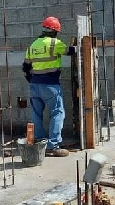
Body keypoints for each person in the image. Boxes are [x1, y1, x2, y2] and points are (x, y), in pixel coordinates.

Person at [22, 16, 75, 157]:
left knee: (36, 114)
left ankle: (39, 141)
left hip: (34, 85)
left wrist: (32, 80)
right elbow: (70, 52)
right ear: (55, 31)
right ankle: (53, 145)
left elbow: (25, 66)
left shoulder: (33, 45)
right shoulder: (54, 43)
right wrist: (78, 46)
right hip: (50, 85)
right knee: (57, 113)